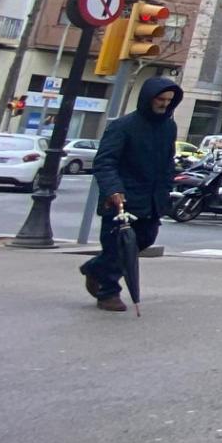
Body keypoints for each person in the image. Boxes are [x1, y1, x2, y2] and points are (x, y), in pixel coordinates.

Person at [79, 75, 182, 312]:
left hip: (152, 199)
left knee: (145, 239)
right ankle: (108, 292)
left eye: (169, 100)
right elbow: (105, 162)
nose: (164, 104)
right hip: (122, 199)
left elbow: (167, 161)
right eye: (160, 99)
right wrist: (114, 189)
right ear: (149, 98)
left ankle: (95, 268)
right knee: (117, 246)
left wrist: (166, 188)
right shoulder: (123, 126)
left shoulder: (169, 127)